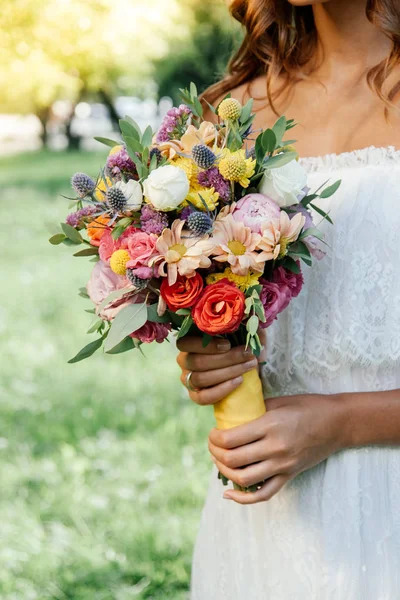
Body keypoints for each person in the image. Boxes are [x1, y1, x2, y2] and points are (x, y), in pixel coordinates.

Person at [176, 1, 400, 598]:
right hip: (272, 518)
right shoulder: (237, 114)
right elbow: (239, 309)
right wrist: (213, 352)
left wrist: (342, 423)